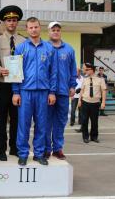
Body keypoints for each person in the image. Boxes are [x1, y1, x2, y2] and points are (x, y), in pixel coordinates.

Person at [12, 17, 57, 166]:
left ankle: (39, 154)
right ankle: (23, 153)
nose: (34, 30)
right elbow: (16, 72)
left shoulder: (49, 48)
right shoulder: (20, 48)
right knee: (23, 124)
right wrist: (16, 92)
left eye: (36, 27)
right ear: (27, 29)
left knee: (41, 124)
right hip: (25, 92)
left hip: (43, 92)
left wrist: (52, 92)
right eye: (30, 27)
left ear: (40, 28)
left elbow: (53, 73)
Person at [0, 5, 24, 161]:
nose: (11, 23)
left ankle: (14, 147)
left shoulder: (24, 41)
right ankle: (1, 149)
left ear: (17, 22)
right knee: (1, 119)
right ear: (4, 22)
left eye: (14, 20)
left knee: (16, 118)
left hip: (18, 86)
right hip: (3, 83)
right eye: (8, 20)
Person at [44, 21, 77, 160]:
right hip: (46, 92)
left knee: (60, 121)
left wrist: (72, 85)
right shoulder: (43, 47)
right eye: (53, 29)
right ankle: (46, 149)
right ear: (48, 32)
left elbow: (73, 70)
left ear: (60, 31)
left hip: (63, 91)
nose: (56, 32)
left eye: (58, 29)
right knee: (46, 121)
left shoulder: (69, 49)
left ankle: (58, 148)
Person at [78, 63, 106, 143]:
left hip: (95, 103)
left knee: (94, 121)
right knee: (84, 121)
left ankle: (94, 137)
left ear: (91, 70)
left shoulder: (101, 79)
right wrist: (79, 100)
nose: (85, 71)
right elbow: (82, 90)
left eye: (86, 70)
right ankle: (85, 137)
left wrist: (103, 102)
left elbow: (103, 91)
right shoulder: (85, 80)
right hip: (85, 102)